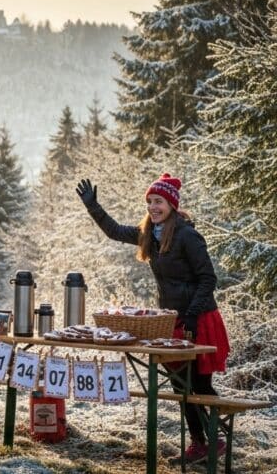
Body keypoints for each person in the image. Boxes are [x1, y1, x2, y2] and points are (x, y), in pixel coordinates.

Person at [77, 174, 230, 464]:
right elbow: (114, 231)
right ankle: (201, 443)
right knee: (180, 385)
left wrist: (193, 314)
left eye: (158, 201)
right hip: (173, 321)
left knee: (199, 385)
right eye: (149, 202)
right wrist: (93, 206)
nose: (153, 207)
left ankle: (217, 438)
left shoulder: (187, 235)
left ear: (172, 204)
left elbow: (208, 278)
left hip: (198, 318)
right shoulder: (150, 234)